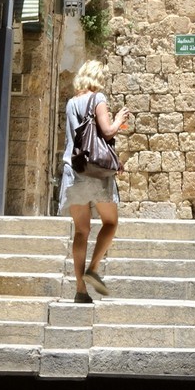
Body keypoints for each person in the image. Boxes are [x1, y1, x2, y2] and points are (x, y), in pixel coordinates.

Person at [59, 60, 129, 303]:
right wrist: (118, 118)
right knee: (110, 223)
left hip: (73, 171)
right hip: (96, 175)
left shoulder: (70, 103)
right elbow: (107, 132)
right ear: (97, 78)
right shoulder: (98, 98)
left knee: (81, 231)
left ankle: (80, 290)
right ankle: (93, 268)